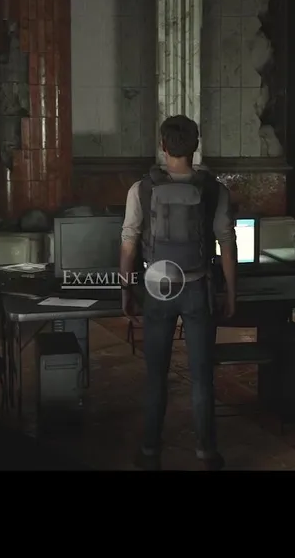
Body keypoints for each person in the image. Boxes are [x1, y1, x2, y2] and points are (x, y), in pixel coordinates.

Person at [120, 115, 236, 471]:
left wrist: (126, 289)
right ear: (195, 145)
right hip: (198, 287)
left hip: (157, 288)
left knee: (156, 375)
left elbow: (128, 241)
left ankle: (150, 452)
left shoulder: (142, 189)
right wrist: (231, 293)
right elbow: (227, 243)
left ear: (163, 145)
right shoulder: (214, 189)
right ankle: (207, 453)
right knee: (202, 375)